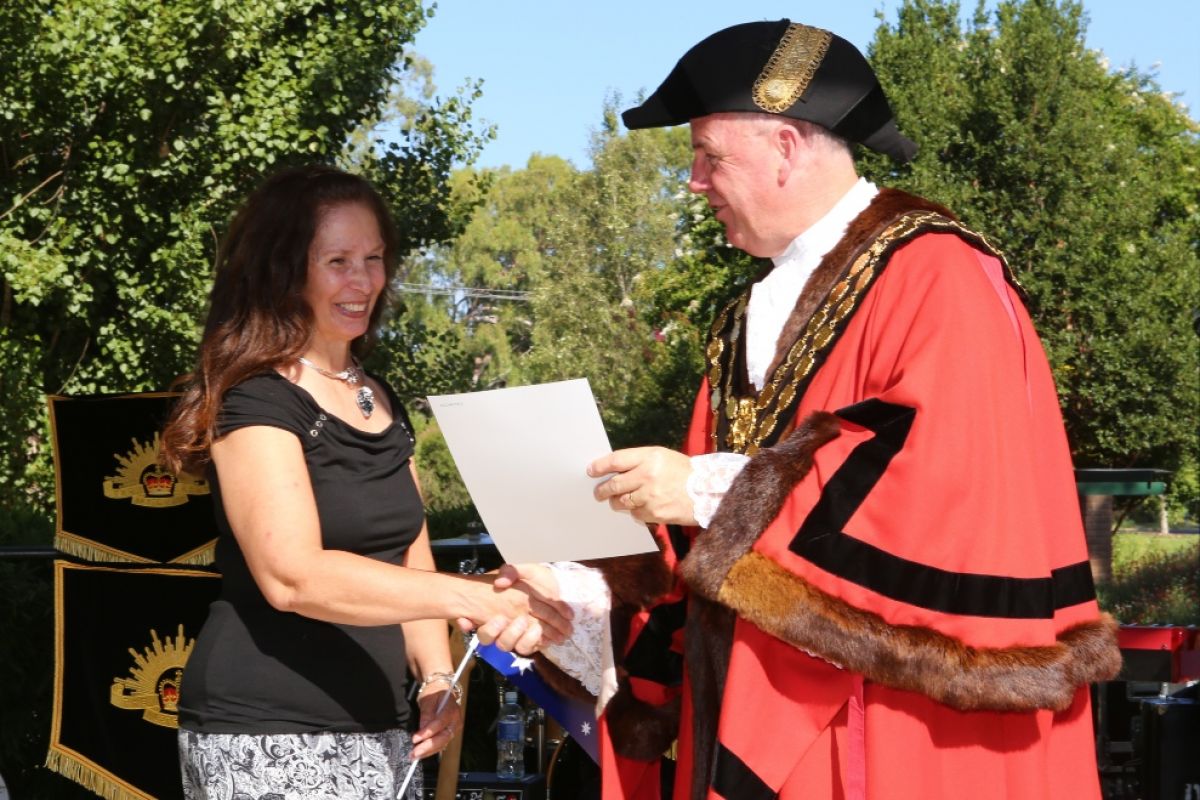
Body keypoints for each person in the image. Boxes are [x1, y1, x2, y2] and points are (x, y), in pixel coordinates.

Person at [489, 19, 1123, 800]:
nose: (693, 179)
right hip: (749, 701)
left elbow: (934, 489)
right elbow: (707, 545)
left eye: (708, 154)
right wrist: (584, 587)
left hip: (902, 724)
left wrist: (697, 487)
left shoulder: (938, 274)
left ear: (787, 147)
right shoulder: (744, 316)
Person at [159, 165, 570, 800]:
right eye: (338, 260)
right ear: (284, 270)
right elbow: (293, 577)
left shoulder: (379, 397)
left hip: (383, 731)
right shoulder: (255, 399)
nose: (363, 281)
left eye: (374, 258)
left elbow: (409, 551)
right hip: (268, 735)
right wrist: (479, 598)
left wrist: (437, 678)